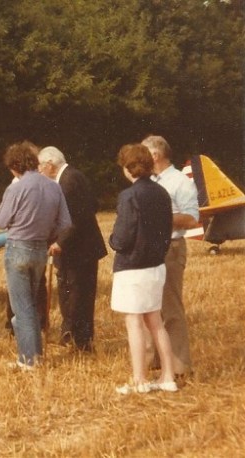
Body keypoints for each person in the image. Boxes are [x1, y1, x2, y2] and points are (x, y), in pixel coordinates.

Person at [0, 140, 71, 369]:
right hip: (40, 250)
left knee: (23, 307)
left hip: (18, 248)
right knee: (30, 305)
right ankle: (33, 355)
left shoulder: (16, 188)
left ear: (14, 166)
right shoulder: (53, 186)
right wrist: (48, 234)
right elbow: (65, 222)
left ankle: (28, 360)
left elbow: (0, 221)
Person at [109, 143, 178, 394]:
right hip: (156, 265)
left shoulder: (129, 196)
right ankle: (168, 377)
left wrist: (112, 241)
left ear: (128, 169)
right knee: (155, 322)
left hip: (132, 267)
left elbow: (123, 237)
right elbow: (167, 230)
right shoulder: (162, 193)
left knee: (134, 323)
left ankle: (139, 380)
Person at [38, 146, 107, 352]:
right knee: (72, 293)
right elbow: (93, 205)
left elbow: (75, 217)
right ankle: (71, 335)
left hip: (80, 250)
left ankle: (81, 341)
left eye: (40, 166)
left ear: (50, 165)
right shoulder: (71, 177)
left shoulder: (69, 181)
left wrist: (60, 242)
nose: (39, 171)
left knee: (79, 295)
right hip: (77, 248)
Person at [141, 135, 199, 379]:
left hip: (171, 248)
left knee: (170, 307)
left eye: (143, 153)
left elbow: (191, 217)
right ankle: (156, 359)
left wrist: (159, 217)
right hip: (150, 249)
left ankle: (179, 365)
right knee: (149, 305)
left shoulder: (179, 181)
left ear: (155, 155)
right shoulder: (150, 181)